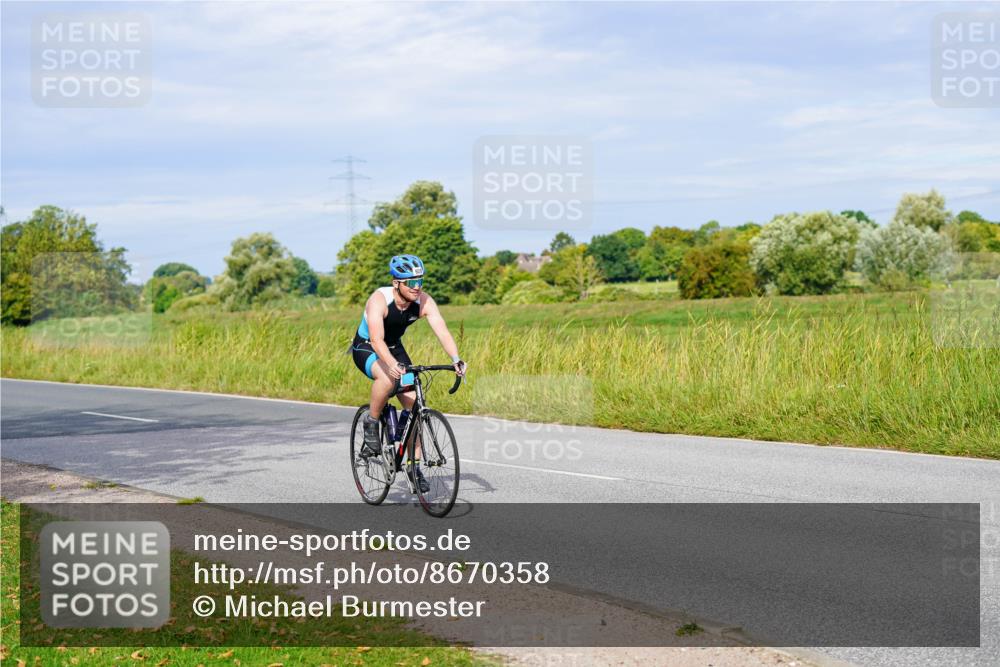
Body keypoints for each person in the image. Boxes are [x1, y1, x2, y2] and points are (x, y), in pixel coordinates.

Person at [351, 254, 467, 492]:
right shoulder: (379, 299)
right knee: (387, 377)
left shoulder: (423, 301)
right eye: (411, 282)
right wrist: (391, 364)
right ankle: (371, 422)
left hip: (394, 347)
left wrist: (455, 359)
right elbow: (376, 338)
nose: (417, 287)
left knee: (414, 406)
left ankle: (414, 467)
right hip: (367, 347)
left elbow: (442, 331)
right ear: (397, 283)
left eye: (420, 281)